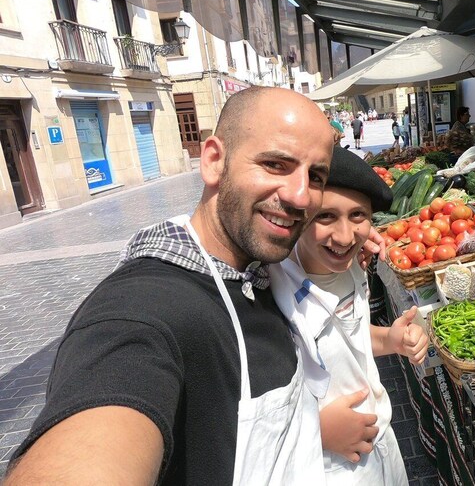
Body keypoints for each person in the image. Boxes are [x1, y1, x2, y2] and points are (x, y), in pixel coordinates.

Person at [4, 87, 382, 485]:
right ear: (214, 161)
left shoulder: (257, 266)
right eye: (274, 164)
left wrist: (352, 240)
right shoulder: (143, 310)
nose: (300, 195)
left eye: (315, 176)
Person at [270, 146, 427, 484]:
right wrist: (317, 430)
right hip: (326, 466)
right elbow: (243, 414)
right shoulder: (272, 285)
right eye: (325, 216)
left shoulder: (353, 266)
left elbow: (351, 335)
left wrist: (391, 339)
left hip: (382, 444)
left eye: (358, 215)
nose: (343, 236)